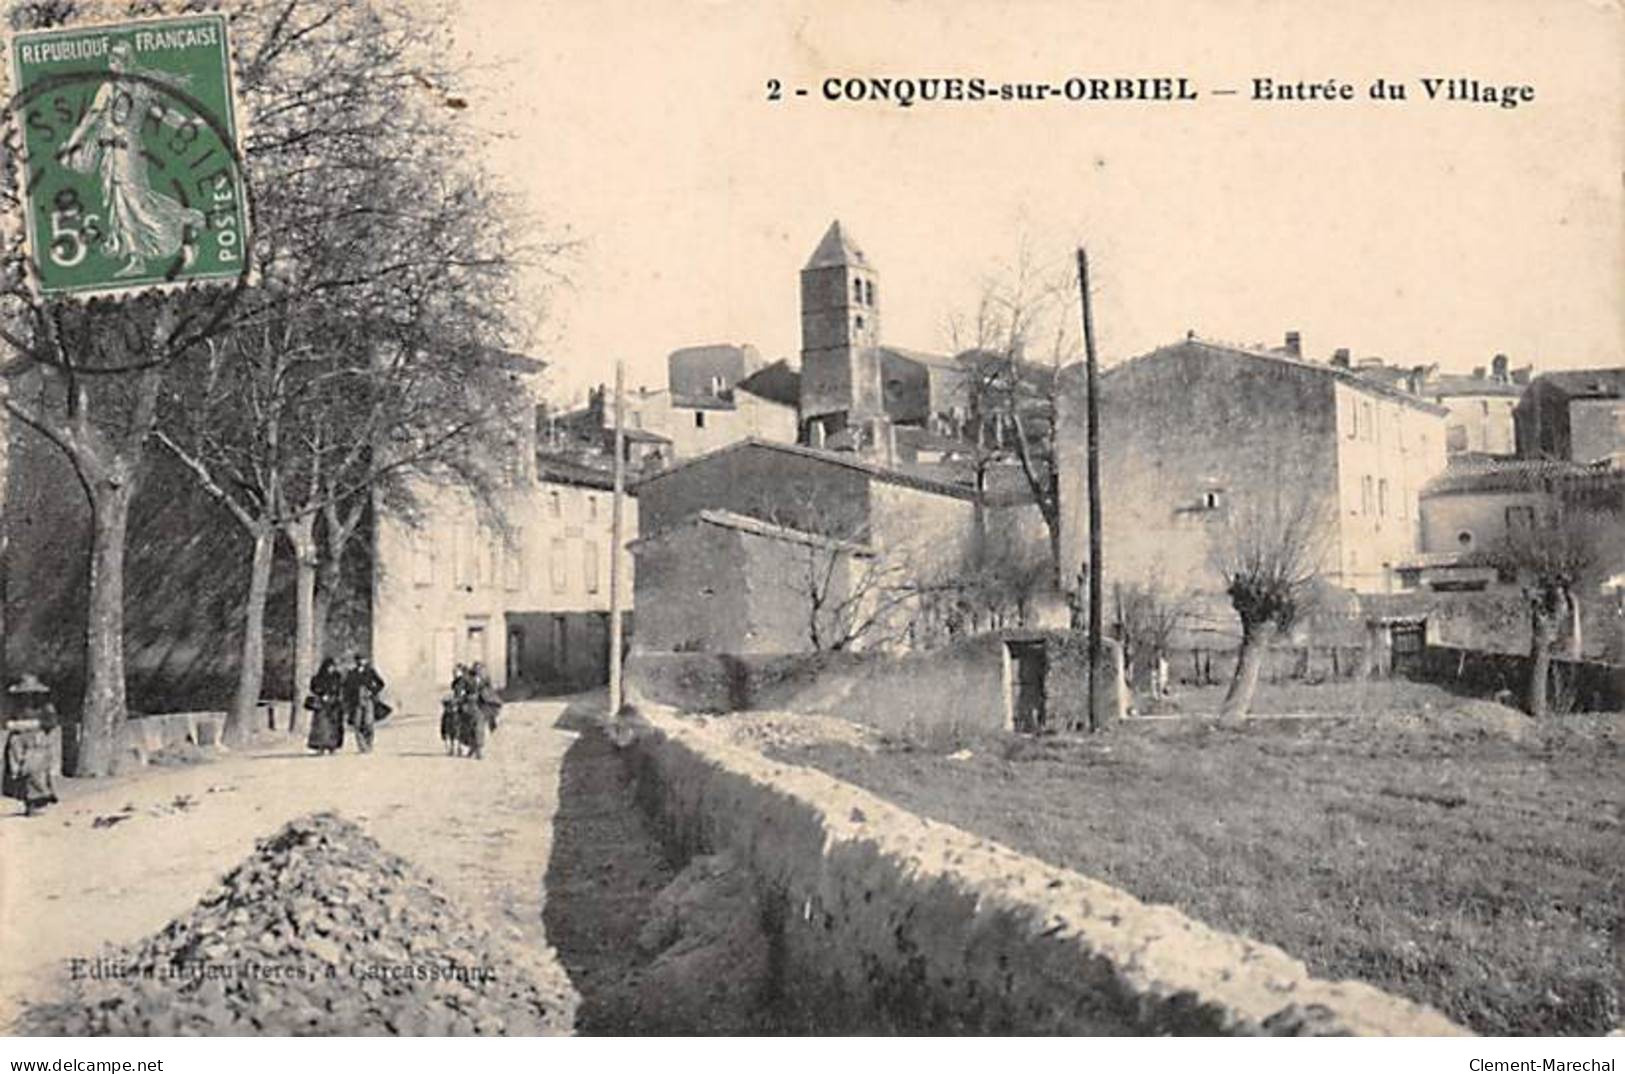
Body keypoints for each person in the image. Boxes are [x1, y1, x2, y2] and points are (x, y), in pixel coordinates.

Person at [59, 40, 206, 278]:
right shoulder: (108, 87)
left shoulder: (142, 88)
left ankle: (187, 220)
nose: (114, 65)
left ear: (128, 61)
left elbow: (163, 114)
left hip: (131, 151)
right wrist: (74, 142)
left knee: (138, 201)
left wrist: (189, 124)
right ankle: (136, 259)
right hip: (111, 151)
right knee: (121, 204)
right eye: (112, 60)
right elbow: (92, 117)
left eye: (118, 60)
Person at [4, 675, 60, 816]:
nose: (27, 696)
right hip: (17, 743)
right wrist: (15, 726)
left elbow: (51, 722)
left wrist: (33, 725)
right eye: (24, 693)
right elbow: (5, 722)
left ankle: (39, 800)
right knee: (18, 772)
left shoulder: (46, 707)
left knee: (34, 769)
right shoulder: (15, 707)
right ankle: (27, 802)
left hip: (37, 743)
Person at [342, 654, 385, 754]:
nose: (360, 662)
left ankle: (369, 744)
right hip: (356, 701)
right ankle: (362, 746)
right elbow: (347, 687)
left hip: (368, 699)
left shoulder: (370, 671)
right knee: (357, 724)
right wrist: (349, 699)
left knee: (368, 723)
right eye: (358, 660)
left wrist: (372, 691)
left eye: (362, 660)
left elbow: (381, 684)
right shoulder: (352, 673)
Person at [305, 658, 345, 754]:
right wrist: (322, 693)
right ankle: (320, 746)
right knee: (321, 725)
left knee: (334, 726)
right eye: (329, 667)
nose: (331, 669)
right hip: (322, 704)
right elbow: (313, 687)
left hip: (334, 704)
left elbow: (340, 688)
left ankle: (332, 746)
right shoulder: (318, 677)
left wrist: (338, 698)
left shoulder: (337, 676)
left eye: (332, 667)